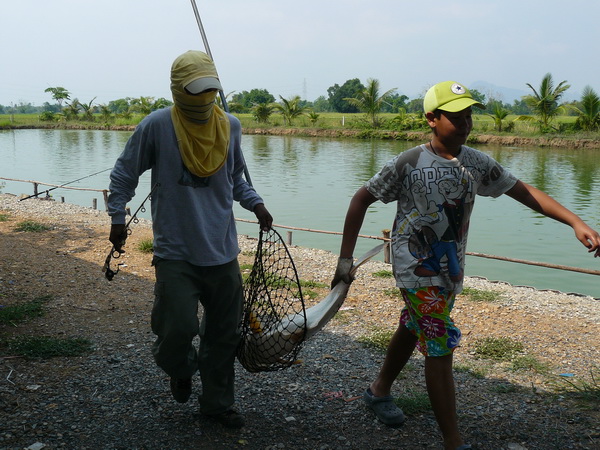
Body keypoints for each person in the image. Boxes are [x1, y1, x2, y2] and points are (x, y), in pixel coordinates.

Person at [331, 80, 600, 450]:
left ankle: (378, 391)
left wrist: (575, 221)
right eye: (455, 117)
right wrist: (345, 259)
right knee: (439, 344)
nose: (465, 123)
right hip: (415, 267)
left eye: (469, 115)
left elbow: (525, 192)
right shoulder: (408, 162)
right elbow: (361, 199)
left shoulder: (476, 163)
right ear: (431, 118)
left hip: (450, 268)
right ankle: (454, 442)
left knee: (415, 325)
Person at [107, 50, 272, 429]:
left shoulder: (230, 125)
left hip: (222, 251)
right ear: (178, 88)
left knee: (223, 336)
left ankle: (216, 404)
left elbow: (236, 180)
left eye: (210, 89)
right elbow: (123, 174)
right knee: (176, 329)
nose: (204, 97)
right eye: (196, 89)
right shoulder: (157, 125)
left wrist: (256, 204)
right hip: (176, 252)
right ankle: (180, 368)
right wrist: (118, 217)